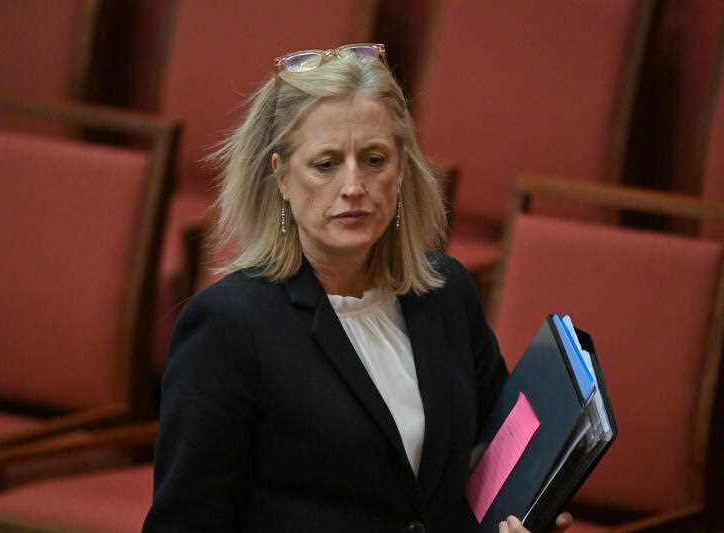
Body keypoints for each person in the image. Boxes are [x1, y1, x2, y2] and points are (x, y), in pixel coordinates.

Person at [143, 44, 572, 532]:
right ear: (280, 176)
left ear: (402, 168)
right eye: (326, 164)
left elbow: (497, 452)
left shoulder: (446, 293)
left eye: (373, 159)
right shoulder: (229, 327)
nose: (354, 186)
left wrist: (529, 508)